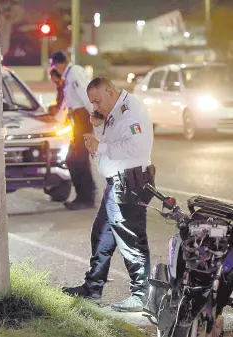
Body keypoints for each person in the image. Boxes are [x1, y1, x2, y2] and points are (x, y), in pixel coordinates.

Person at [62, 77, 155, 312]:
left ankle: (141, 295)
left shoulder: (130, 112)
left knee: (132, 241)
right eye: (92, 102)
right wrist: (98, 126)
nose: (95, 106)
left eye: (97, 101)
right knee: (102, 236)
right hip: (117, 183)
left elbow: (137, 147)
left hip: (130, 183)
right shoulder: (114, 110)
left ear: (111, 92)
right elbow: (113, 137)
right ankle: (92, 288)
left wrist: (100, 147)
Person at [50, 51, 96, 210]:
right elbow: (67, 104)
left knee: (76, 158)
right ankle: (85, 196)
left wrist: (95, 119)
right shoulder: (69, 75)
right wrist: (55, 120)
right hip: (78, 120)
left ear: (57, 64)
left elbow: (86, 95)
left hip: (84, 120)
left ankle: (86, 197)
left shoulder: (74, 72)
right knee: (76, 159)